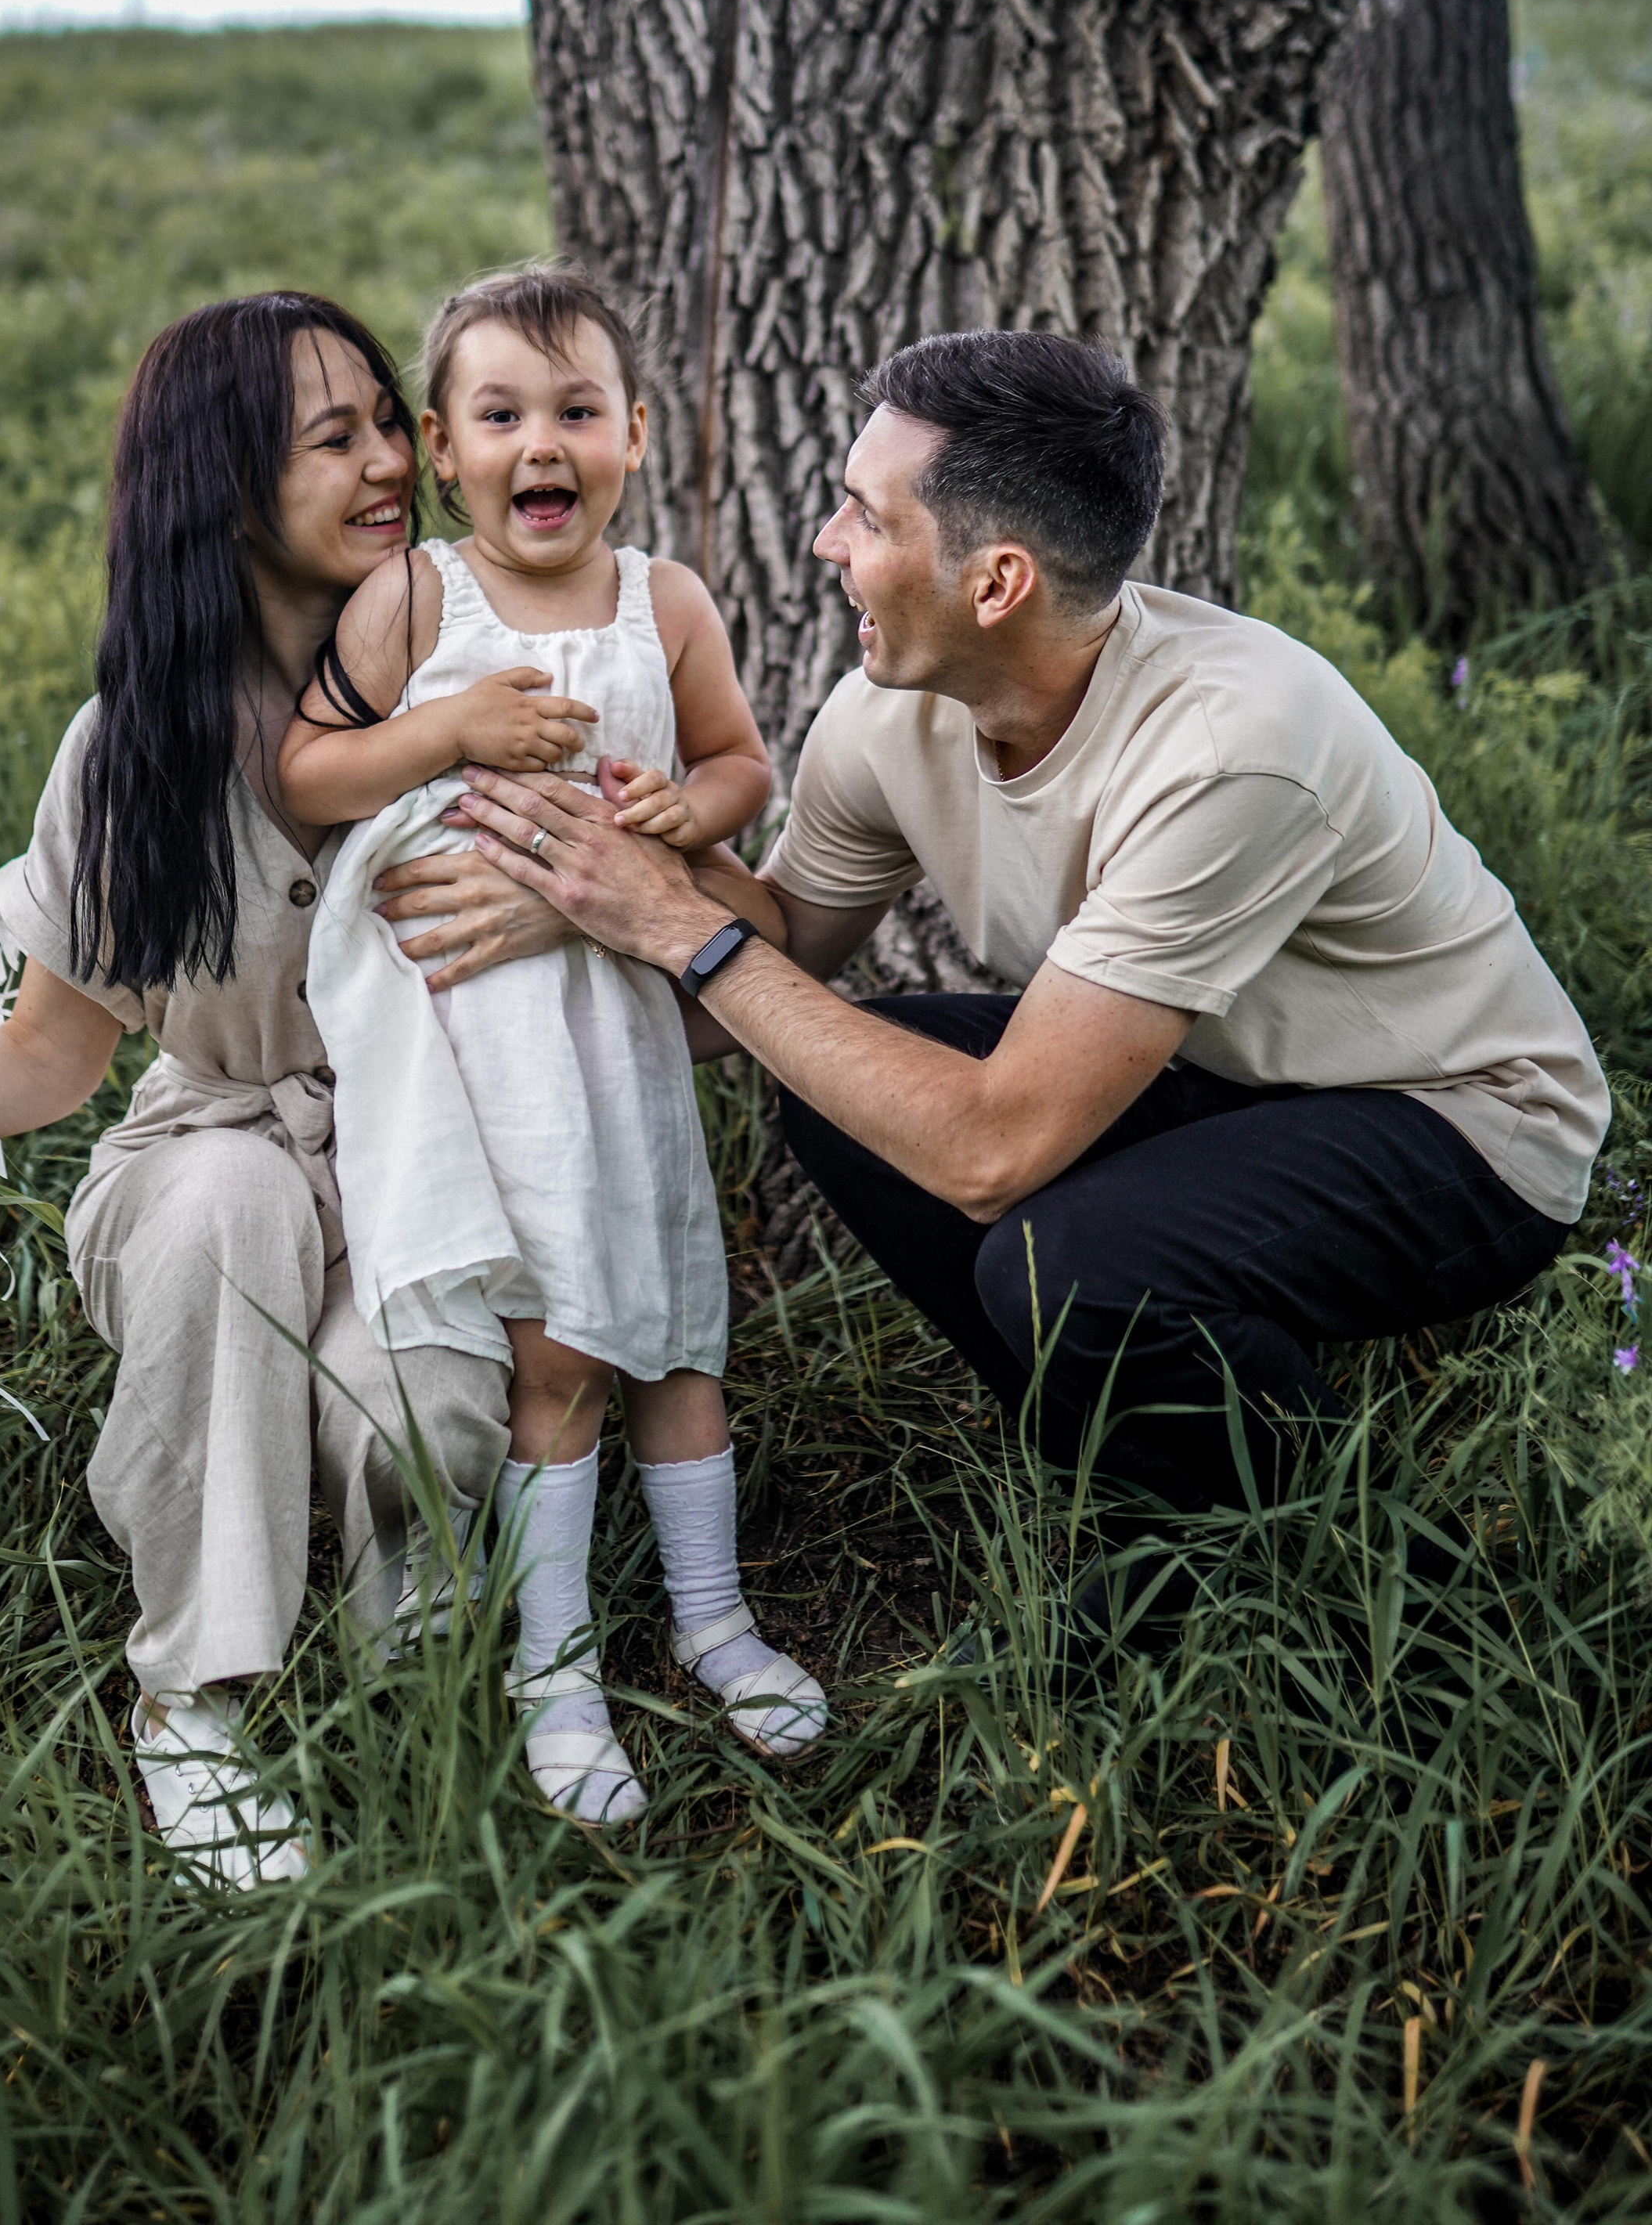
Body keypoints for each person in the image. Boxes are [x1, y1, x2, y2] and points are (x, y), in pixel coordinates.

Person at [446, 329, 1610, 1635]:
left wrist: (683, 933)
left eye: (861, 516)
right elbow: (778, 954)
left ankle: (1353, 1570)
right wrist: (604, 860)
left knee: (1065, 1261)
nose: (827, 545)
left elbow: (990, 1151)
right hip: (1214, 1068)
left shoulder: (1232, 746)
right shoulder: (890, 713)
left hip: (1462, 1119)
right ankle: (1133, 1472)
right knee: (841, 1090)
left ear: (996, 581)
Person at [0, 292, 582, 1886]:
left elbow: (645, 949)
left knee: (412, 1402)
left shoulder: (490, 687)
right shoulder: (132, 751)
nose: (388, 464)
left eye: (386, 420)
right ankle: (197, 1697)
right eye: (333, 436)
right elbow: (45, 1059)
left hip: (424, 1162)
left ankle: (415, 1690)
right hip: (205, 1158)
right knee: (228, 1200)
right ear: (223, 489)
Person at [281, 264, 828, 1824]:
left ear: (634, 436)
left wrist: (685, 809)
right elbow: (308, 767)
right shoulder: (415, 602)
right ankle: (558, 1664)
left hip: (627, 1029)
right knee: (559, 1347)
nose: (543, 444)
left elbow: (738, 760)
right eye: (502, 415)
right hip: (483, 1042)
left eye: (576, 411)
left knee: (676, 1321)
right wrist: (445, 733)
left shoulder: (666, 601)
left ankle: (715, 1619)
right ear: (443, 453)